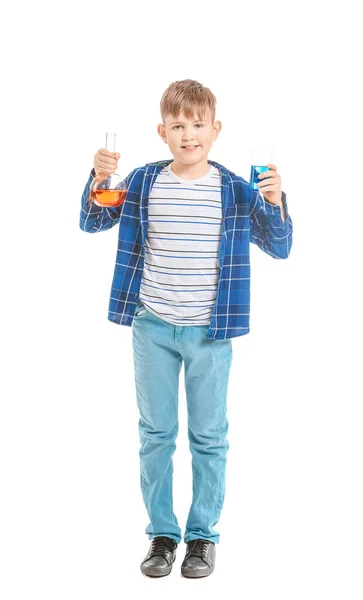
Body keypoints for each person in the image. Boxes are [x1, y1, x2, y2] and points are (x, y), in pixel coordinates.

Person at [79, 79, 293, 578]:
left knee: (208, 436)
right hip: (152, 326)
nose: (188, 134)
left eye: (198, 124)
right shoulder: (142, 181)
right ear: (162, 131)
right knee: (156, 433)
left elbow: (279, 246)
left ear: (215, 130)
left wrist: (276, 199)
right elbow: (92, 221)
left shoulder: (237, 189)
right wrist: (96, 178)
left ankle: (201, 536)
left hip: (211, 333)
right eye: (178, 125)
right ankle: (161, 534)